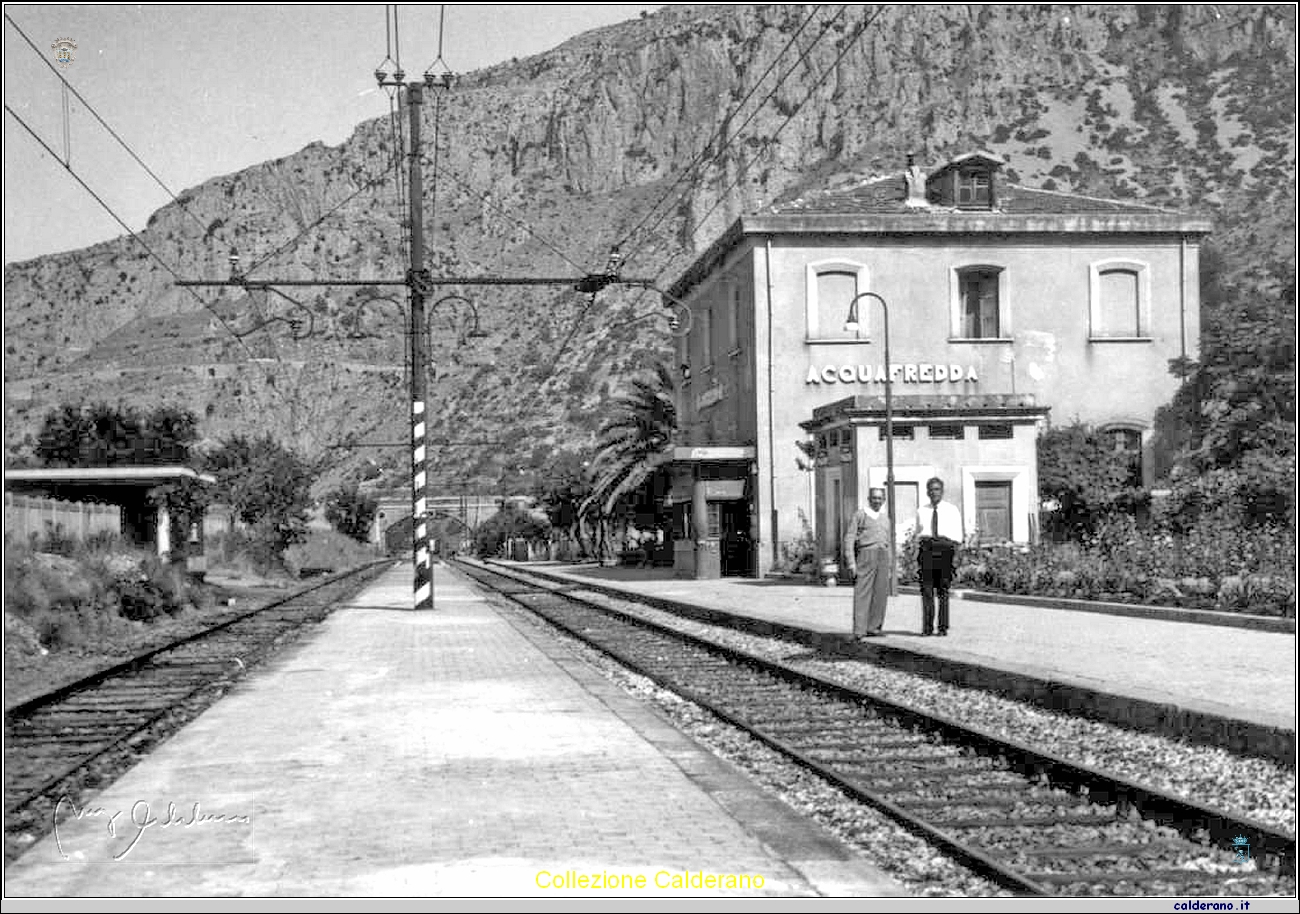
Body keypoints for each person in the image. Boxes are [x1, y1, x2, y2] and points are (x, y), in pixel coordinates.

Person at [914, 477, 963, 636]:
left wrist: (955, 556)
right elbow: (918, 533)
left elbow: (957, 535)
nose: (934, 492)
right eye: (931, 489)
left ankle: (942, 627)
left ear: (942, 491)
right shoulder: (922, 510)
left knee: (943, 590)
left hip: (945, 549)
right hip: (927, 549)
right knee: (926, 590)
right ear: (927, 492)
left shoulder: (952, 510)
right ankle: (927, 627)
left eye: (937, 489)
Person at [843, 487, 891, 639]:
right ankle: (859, 630)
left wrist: (890, 564)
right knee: (862, 592)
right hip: (866, 554)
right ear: (869, 499)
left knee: (880, 593)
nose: (877, 501)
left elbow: (888, 541)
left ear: (883, 500)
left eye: (880, 498)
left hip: (882, 555)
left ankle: (874, 627)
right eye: (874, 498)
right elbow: (849, 538)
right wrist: (851, 562)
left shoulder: (885, 518)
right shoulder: (860, 514)